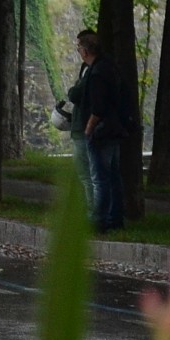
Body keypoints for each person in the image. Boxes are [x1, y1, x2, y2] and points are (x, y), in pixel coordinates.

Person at [66, 29, 124, 232]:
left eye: (79, 48)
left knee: (99, 178)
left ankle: (98, 220)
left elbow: (98, 107)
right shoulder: (108, 67)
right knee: (113, 177)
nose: (79, 52)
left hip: (100, 131)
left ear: (85, 50)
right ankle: (115, 218)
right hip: (113, 129)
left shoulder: (96, 72)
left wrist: (89, 129)